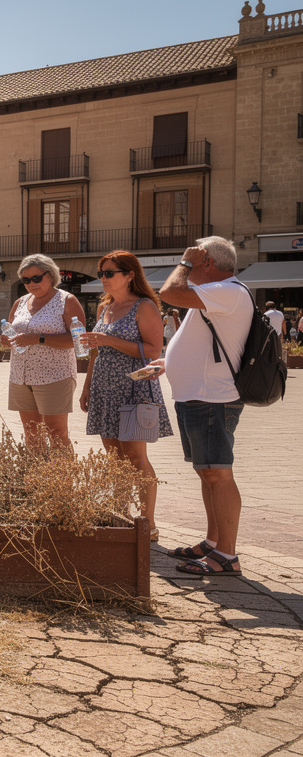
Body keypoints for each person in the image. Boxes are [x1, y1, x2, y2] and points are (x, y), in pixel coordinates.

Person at [155, 236, 252, 576]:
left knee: (218, 473)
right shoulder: (217, 294)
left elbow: (168, 293)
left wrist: (184, 263)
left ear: (207, 263)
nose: (188, 267)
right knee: (206, 471)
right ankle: (214, 542)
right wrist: (168, 362)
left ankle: (226, 555)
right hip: (198, 395)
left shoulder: (228, 290)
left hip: (213, 397)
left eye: (196, 261)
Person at [79, 251, 173, 540]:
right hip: (105, 388)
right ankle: (120, 515)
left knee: (135, 456)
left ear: (130, 275)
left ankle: (148, 522)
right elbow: (96, 351)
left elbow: (154, 351)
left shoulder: (144, 306)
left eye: (110, 273)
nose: (104, 279)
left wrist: (109, 340)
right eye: (102, 273)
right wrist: (87, 386)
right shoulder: (104, 307)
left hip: (134, 387)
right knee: (114, 458)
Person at [3, 254, 86, 451]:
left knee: (56, 433)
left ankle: (63, 481)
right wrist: (7, 340)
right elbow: (11, 332)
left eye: (36, 278)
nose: (31, 283)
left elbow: (79, 340)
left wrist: (38, 338)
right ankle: (38, 480)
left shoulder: (66, 300)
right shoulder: (20, 302)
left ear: (51, 276)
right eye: (26, 280)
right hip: (20, 376)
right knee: (31, 433)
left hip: (54, 376)